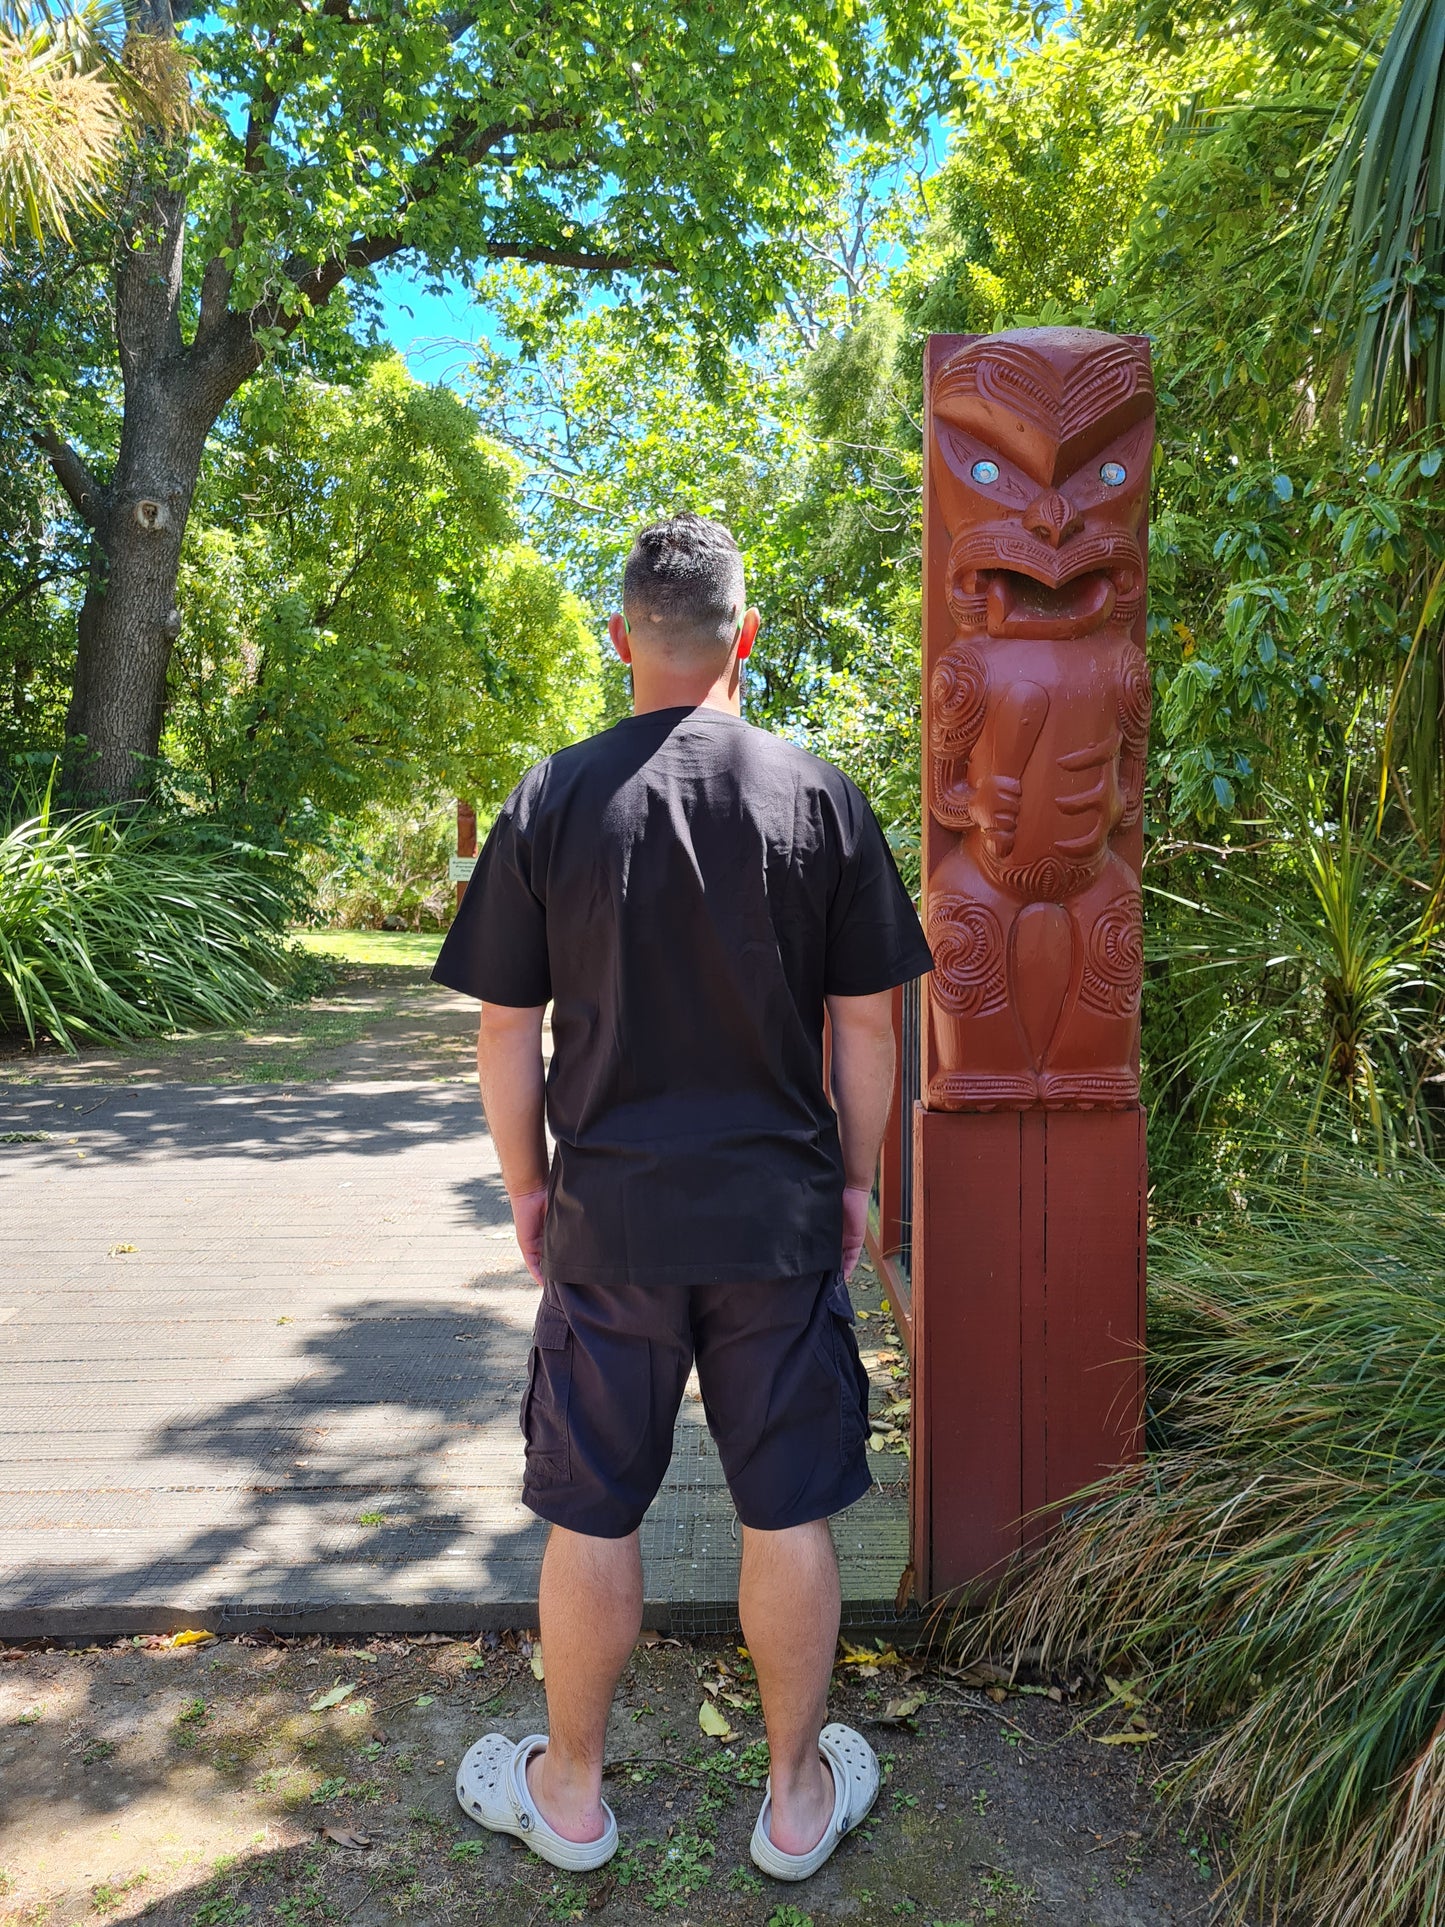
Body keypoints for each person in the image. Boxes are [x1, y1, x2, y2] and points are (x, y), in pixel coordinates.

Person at [431, 511, 933, 1882]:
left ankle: (573, 1798)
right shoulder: (816, 794)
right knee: (787, 1511)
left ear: (619, 643)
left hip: (611, 1220)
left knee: (590, 1509)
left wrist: (529, 1194)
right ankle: (788, 1803)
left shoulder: (552, 798)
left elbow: (502, 1034)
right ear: (744, 638)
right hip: (775, 1215)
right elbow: (870, 1032)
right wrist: (859, 1187)